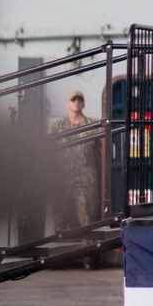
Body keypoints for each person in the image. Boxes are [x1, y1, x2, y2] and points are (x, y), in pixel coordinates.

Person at [49, 89, 101, 232]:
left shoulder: (92, 126)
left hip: (86, 182)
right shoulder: (57, 127)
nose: (77, 102)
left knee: (88, 222)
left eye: (79, 100)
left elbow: (99, 156)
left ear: (83, 104)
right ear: (67, 104)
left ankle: (89, 253)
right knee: (60, 222)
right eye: (73, 100)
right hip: (63, 180)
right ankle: (60, 253)